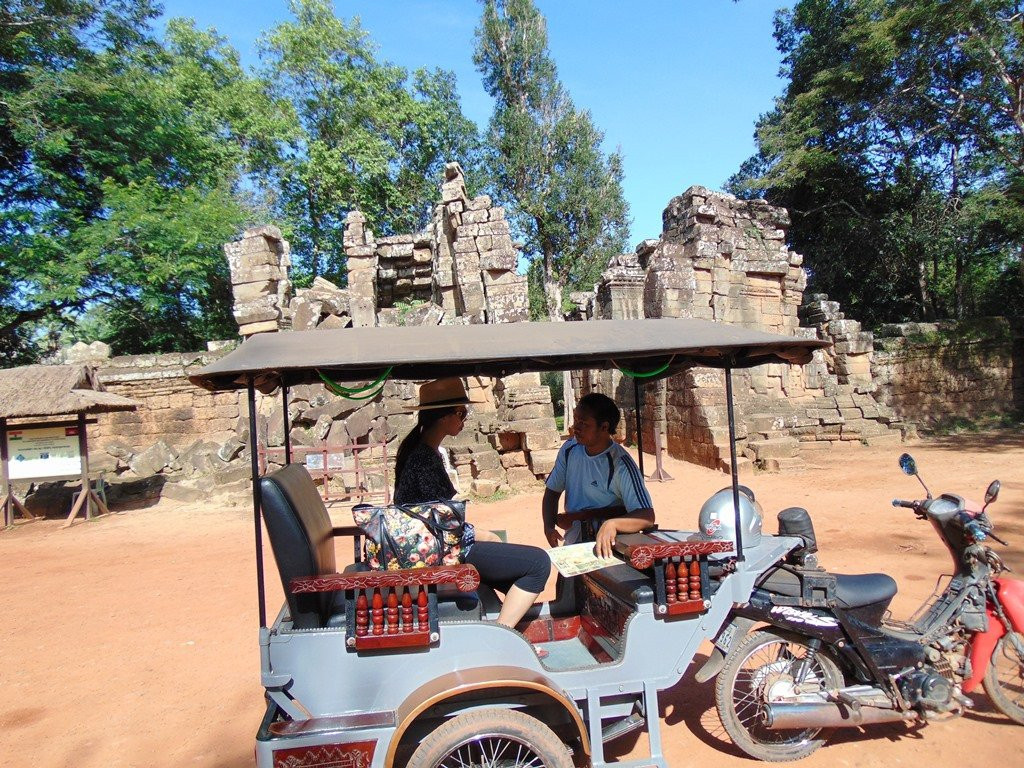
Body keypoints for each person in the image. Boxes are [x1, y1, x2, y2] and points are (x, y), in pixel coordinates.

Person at [394, 377, 551, 629]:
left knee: (505, 554)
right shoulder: (424, 460)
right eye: (461, 412)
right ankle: (503, 633)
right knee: (538, 563)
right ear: (444, 417)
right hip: (437, 550)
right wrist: (481, 534)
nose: (464, 418)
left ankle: (495, 619)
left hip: (434, 544)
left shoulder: (421, 453)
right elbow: (440, 521)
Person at [542, 392, 655, 558]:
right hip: (574, 541)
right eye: (575, 420)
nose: (576, 428)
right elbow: (552, 491)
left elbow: (646, 515)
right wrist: (549, 526)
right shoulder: (569, 449)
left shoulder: (620, 465)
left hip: (612, 546)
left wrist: (612, 524)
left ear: (604, 427)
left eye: (583, 423)